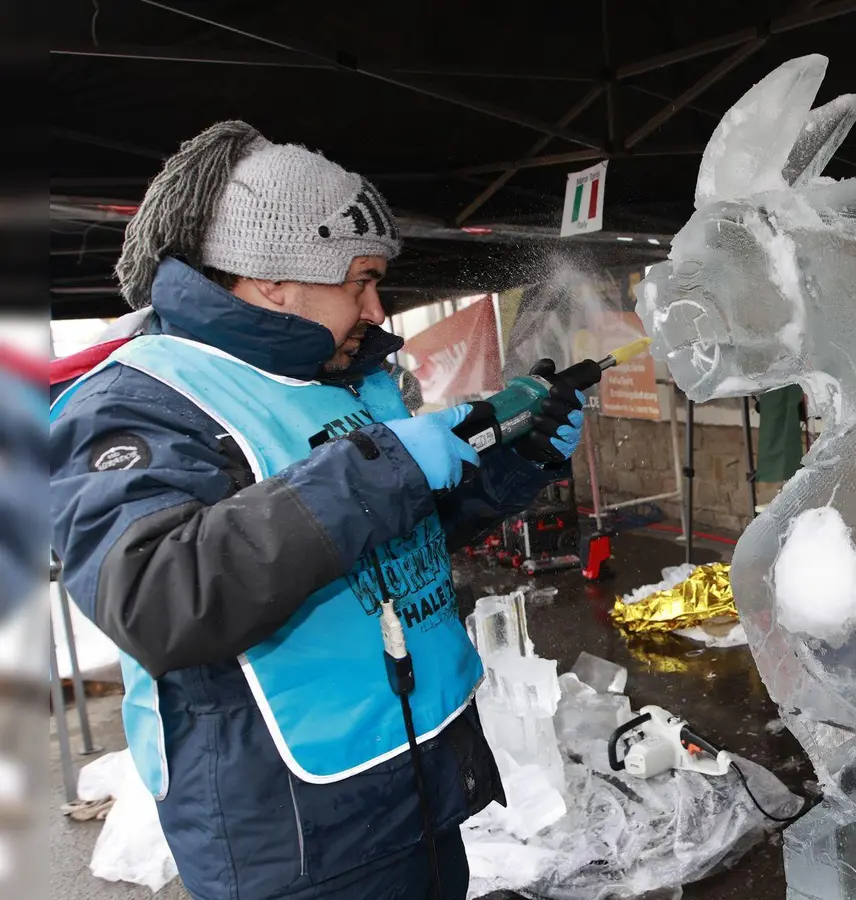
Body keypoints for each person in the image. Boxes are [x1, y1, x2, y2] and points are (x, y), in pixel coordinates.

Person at [49, 121, 584, 900]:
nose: (377, 307)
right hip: (297, 834)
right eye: (360, 279)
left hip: (416, 783)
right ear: (274, 279)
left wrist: (512, 463)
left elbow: (393, 537)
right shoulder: (139, 403)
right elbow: (157, 596)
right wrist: (384, 467)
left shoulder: (348, 377)